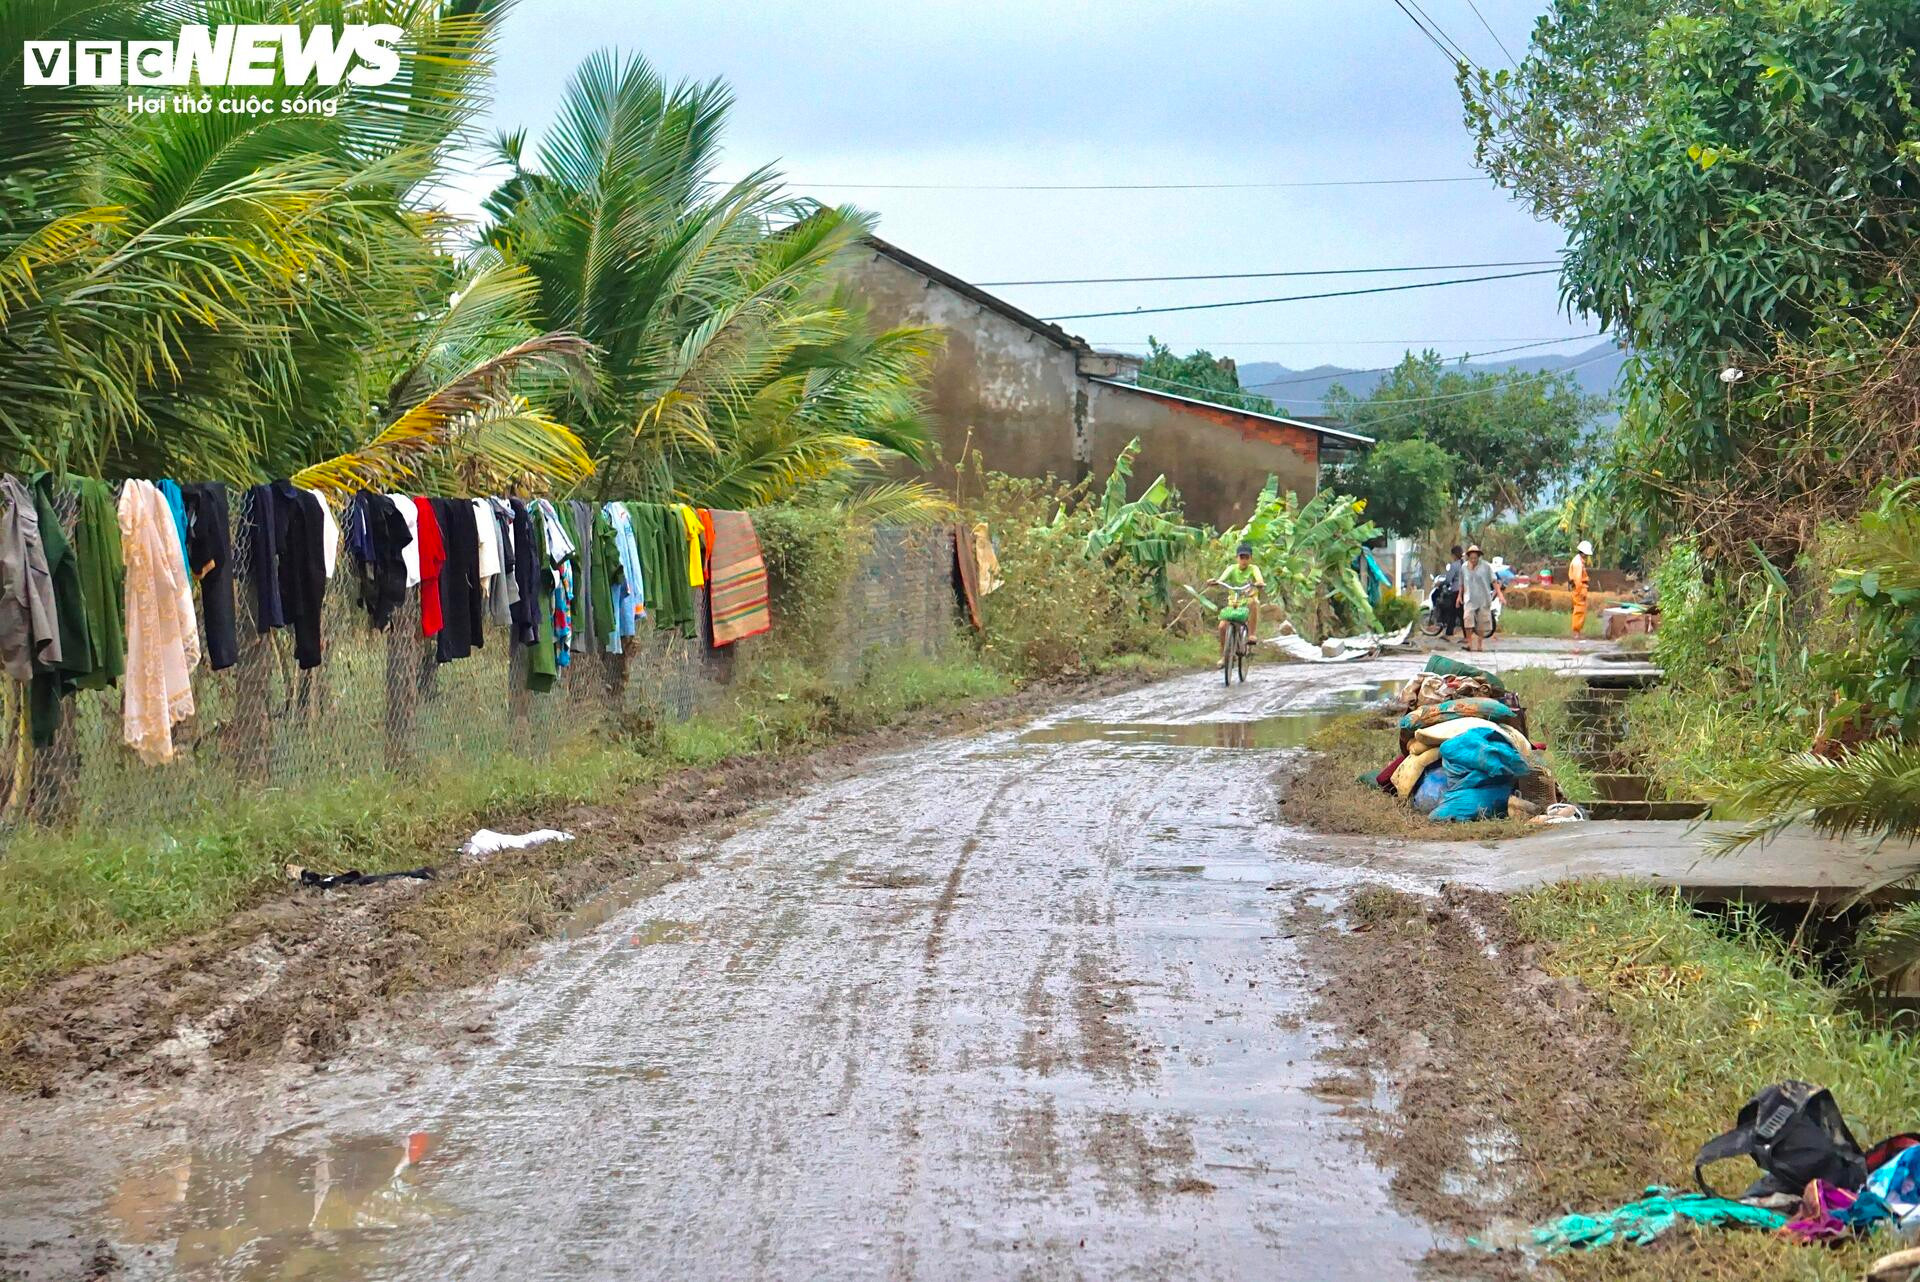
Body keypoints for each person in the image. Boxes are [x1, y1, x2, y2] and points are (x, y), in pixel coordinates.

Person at [1216, 541, 1264, 644]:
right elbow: (1221, 579)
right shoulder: (1232, 569)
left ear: (1251, 558)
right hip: (1234, 602)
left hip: (1248, 601)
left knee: (1254, 603)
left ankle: (1251, 634)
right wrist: (1215, 582)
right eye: (1242, 557)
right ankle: (1224, 656)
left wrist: (1259, 583)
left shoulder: (1254, 569)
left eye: (1247, 557)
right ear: (1237, 558)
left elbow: (1259, 579)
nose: (1244, 560)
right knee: (1222, 627)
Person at [1459, 543, 1504, 653]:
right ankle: (1469, 643)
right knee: (1467, 619)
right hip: (1469, 598)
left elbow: (1494, 581)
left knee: (1481, 623)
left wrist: (1500, 594)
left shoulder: (1486, 566)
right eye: (1471, 558)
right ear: (1468, 557)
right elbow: (1462, 583)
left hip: (1483, 599)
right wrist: (1459, 596)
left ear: (1479, 557)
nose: (1473, 560)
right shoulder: (1464, 567)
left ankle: (1479, 644)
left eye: (1475, 558)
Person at [1438, 544, 1465, 639]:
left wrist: (1440, 583)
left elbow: (1448, 580)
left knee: (1457, 614)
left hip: (1456, 592)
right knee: (1455, 613)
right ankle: (1449, 633)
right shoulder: (1464, 564)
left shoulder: (1454, 566)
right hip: (1465, 591)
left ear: (1454, 555)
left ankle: (1465, 636)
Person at [1568, 539, 1593, 638]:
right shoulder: (1578, 563)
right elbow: (1578, 580)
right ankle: (1576, 632)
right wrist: (1581, 592)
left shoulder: (1578, 561)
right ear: (1583, 553)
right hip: (1579, 588)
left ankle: (1577, 631)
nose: (1587, 557)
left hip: (1579, 588)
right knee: (1579, 610)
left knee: (1580, 610)